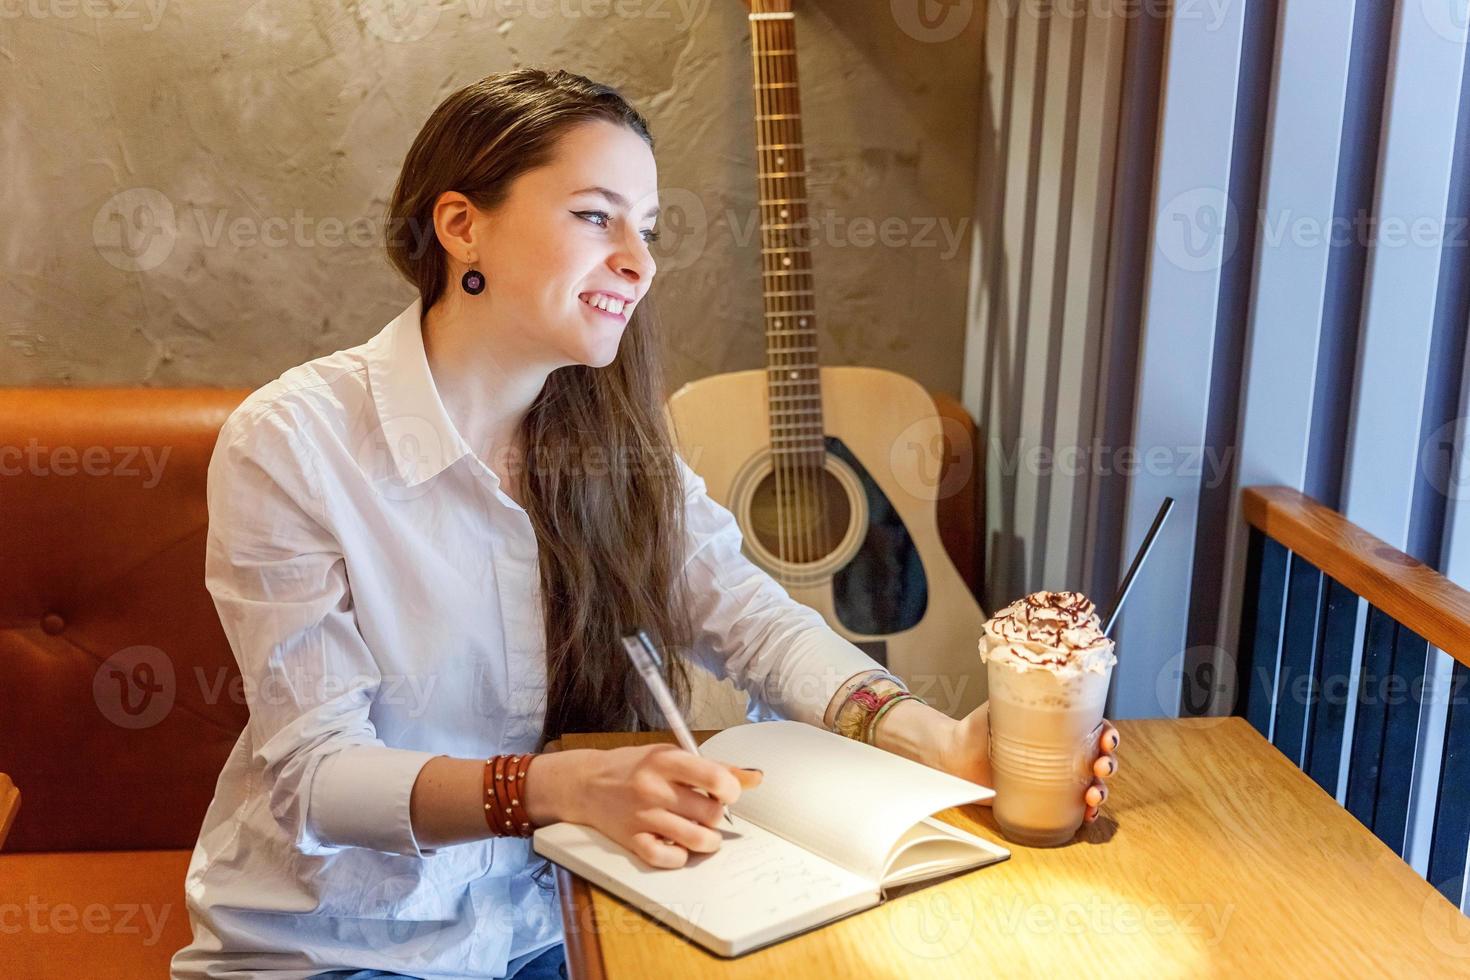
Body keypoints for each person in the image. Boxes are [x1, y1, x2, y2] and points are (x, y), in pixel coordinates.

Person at [170, 68, 1118, 980]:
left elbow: (752, 619)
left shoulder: (615, 438)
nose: (639, 259)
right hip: (343, 948)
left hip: (562, 922)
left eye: (649, 228)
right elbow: (318, 780)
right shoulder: (293, 443)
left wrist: (937, 742)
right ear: (462, 227)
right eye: (595, 216)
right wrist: (555, 788)